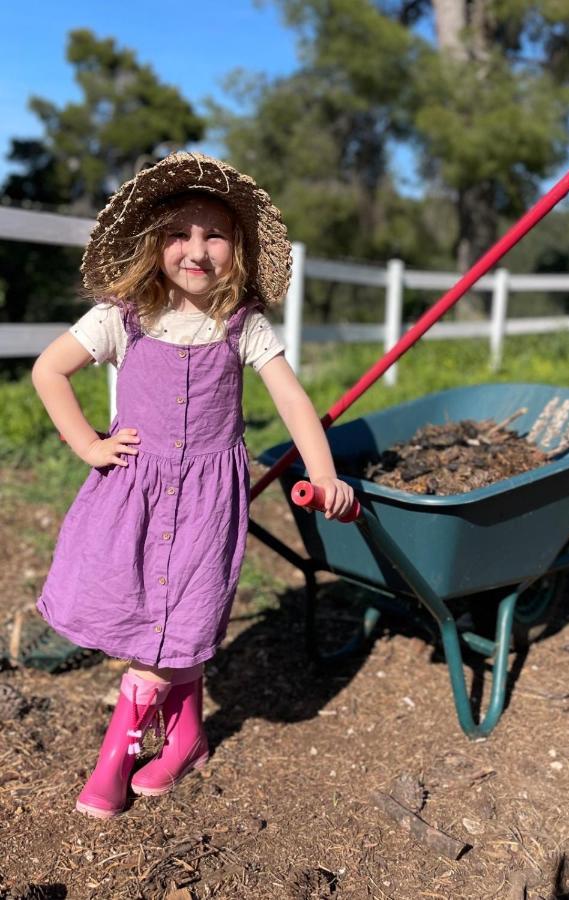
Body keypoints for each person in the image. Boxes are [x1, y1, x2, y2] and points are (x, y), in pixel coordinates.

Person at [31, 152, 355, 819]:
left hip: (208, 503)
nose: (197, 249)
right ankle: (187, 737)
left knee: (186, 618)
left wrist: (323, 474)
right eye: (180, 233)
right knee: (154, 619)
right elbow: (48, 371)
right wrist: (88, 443)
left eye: (215, 235)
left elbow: (295, 403)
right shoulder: (122, 318)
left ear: (236, 249)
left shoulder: (243, 327)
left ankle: (117, 759)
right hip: (134, 498)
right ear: (154, 244)